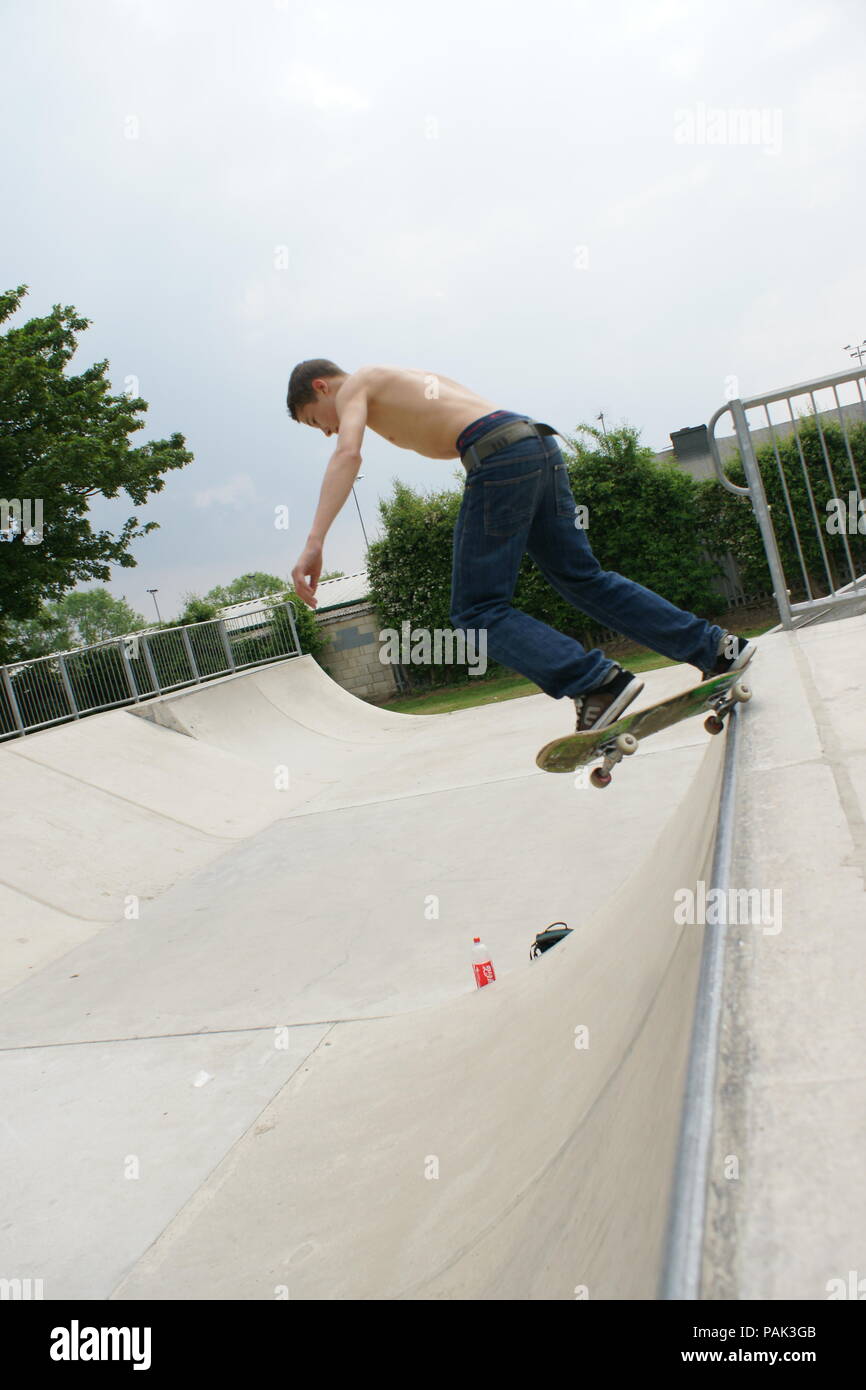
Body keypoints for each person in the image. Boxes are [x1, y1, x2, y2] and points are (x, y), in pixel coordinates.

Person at [287, 360, 754, 731]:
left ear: (322, 387)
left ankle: (595, 684)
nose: (327, 429)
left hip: (498, 455)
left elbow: (348, 453)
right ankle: (716, 649)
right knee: (582, 578)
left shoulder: (355, 387)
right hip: (534, 443)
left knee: (475, 609)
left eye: (315, 421)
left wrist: (314, 543)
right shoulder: (400, 377)